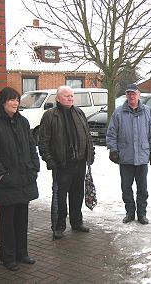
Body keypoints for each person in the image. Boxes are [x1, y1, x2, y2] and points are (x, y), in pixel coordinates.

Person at [0, 87, 39, 271]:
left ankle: (22, 253)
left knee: (22, 219)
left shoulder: (23, 122)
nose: (15, 103)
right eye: (11, 100)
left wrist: (34, 168)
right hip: (6, 181)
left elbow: (32, 146)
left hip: (24, 179)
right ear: (2, 102)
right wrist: (1, 174)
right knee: (7, 221)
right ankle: (8, 257)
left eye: (17, 100)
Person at [38, 85, 94, 240]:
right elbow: (43, 141)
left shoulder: (79, 112)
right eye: (66, 96)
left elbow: (87, 135)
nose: (70, 98)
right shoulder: (50, 115)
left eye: (72, 96)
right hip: (62, 164)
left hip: (80, 162)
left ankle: (77, 222)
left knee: (77, 195)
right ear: (58, 98)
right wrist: (49, 160)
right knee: (60, 197)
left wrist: (91, 153)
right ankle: (58, 226)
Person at [106, 84, 151, 225]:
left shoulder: (147, 112)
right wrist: (113, 150)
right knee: (126, 188)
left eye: (134, 93)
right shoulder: (118, 113)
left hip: (142, 157)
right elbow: (111, 134)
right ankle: (130, 213)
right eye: (129, 94)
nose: (131, 96)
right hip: (125, 158)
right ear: (126, 95)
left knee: (142, 189)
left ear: (139, 94)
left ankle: (142, 214)